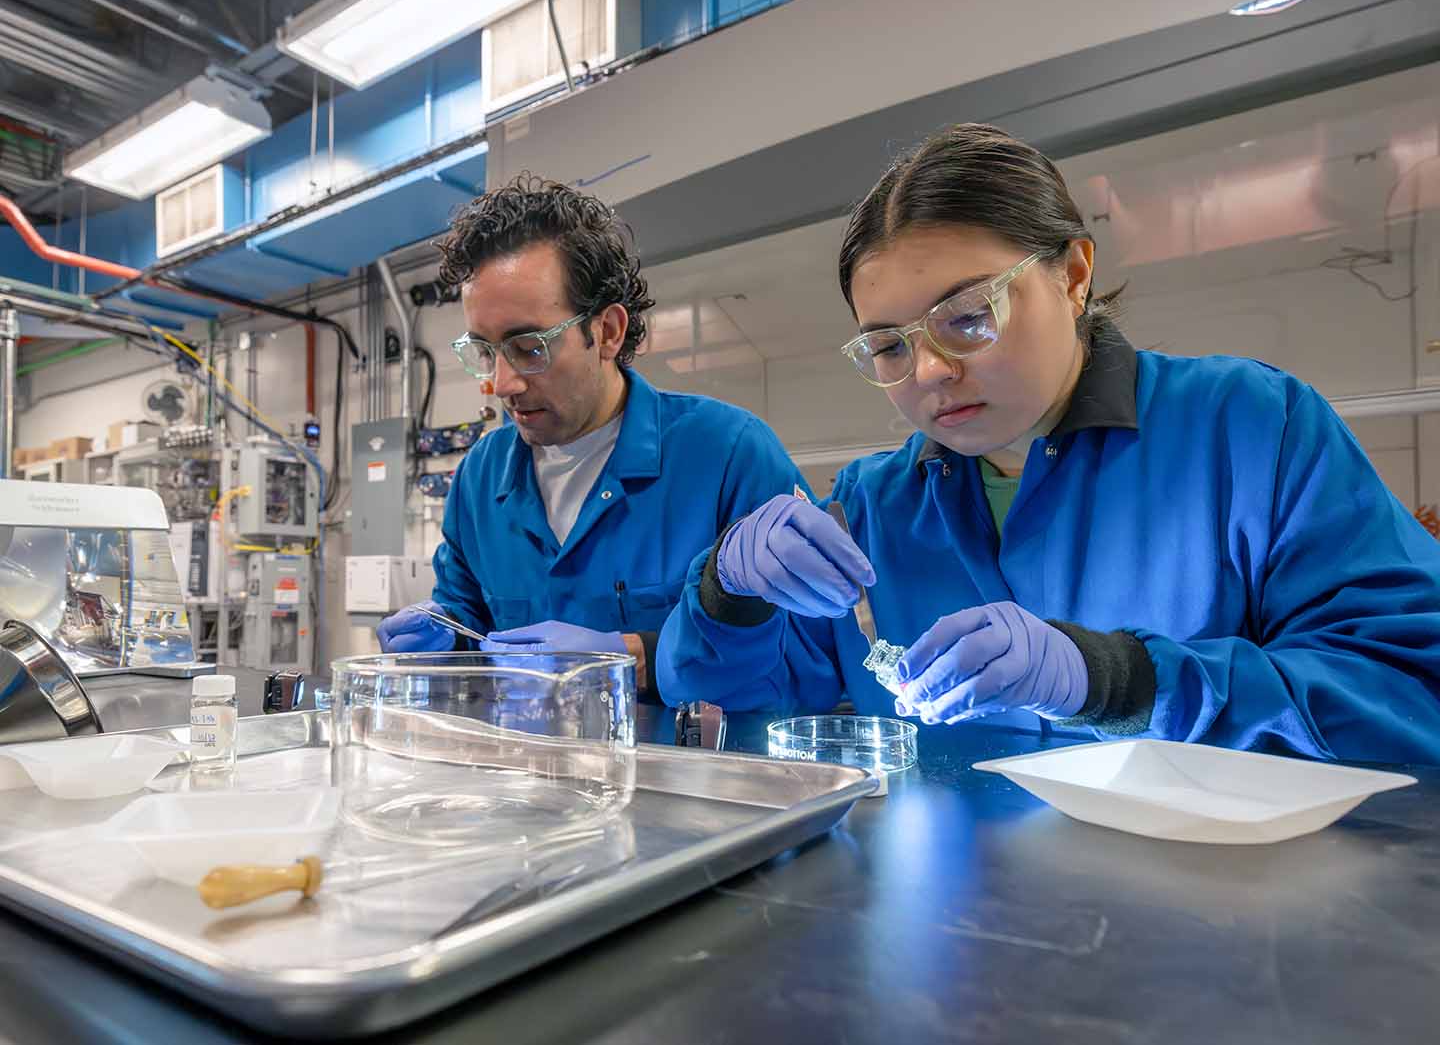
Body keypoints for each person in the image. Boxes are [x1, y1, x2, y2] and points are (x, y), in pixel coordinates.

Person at [657, 123, 1440, 763]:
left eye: (968, 316)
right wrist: (728, 591)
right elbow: (739, 709)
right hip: (947, 928)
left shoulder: (1250, 430)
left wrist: (1120, 681)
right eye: (889, 347)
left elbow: (1408, 694)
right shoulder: (874, 506)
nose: (930, 369)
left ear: (1073, 275)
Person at [378, 174, 805, 701]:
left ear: (607, 332)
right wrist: (441, 633)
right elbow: (467, 613)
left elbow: (808, 660)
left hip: (689, 777)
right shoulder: (480, 475)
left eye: (529, 347)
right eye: (485, 352)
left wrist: (628, 656)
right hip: (526, 773)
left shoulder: (728, 454)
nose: (501, 384)